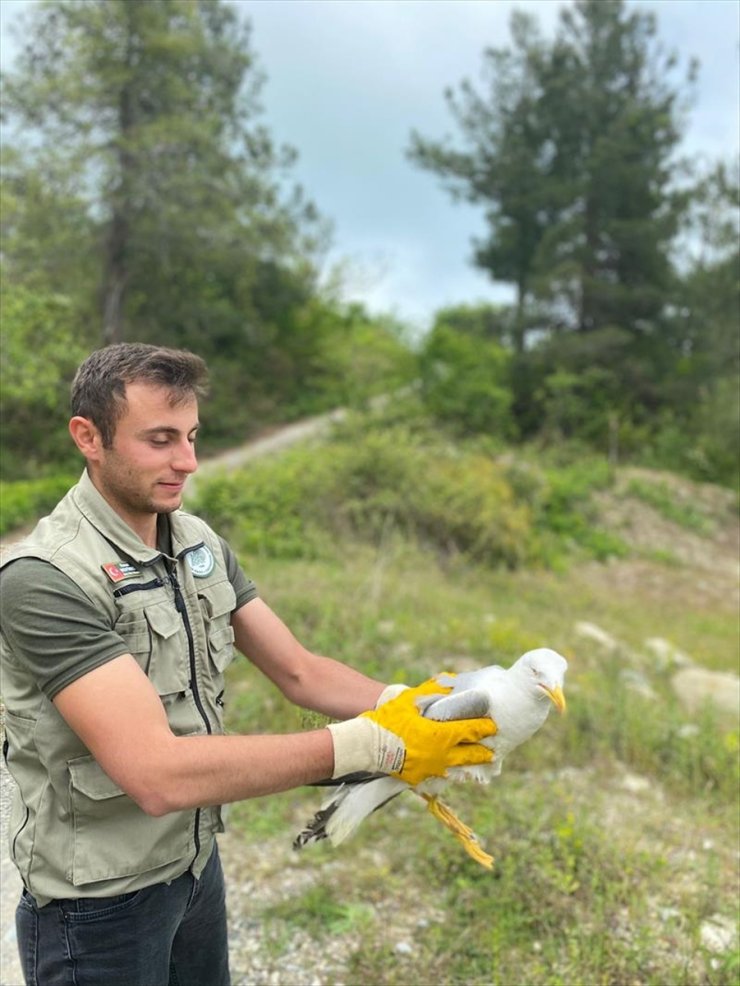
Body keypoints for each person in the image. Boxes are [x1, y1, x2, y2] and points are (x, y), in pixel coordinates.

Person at [0, 343, 495, 986]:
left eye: (193, 436)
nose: (189, 461)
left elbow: (301, 672)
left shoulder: (197, 542)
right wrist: (370, 744)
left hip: (195, 868)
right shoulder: (44, 579)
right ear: (88, 437)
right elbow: (157, 775)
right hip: (96, 907)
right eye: (160, 439)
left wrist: (419, 705)